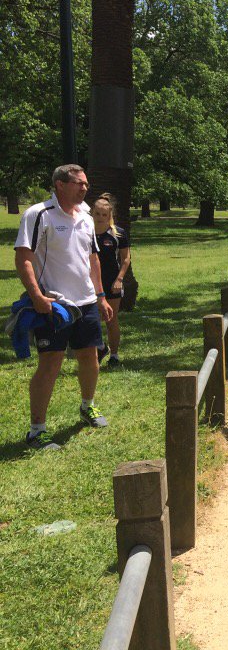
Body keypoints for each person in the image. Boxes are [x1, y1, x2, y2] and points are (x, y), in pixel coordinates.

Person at [14, 164, 114, 449]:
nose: (85, 188)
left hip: (86, 302)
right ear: (60, 184)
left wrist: (101, 296)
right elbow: (23, 259)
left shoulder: (85, 214)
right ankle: (37, 430)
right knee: (50, 363)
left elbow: (92, 257)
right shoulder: (38, 214)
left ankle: (87, 406)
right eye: (78, 183)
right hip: (53, 304)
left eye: (86, 183)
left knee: (90, 357)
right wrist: (36, 297)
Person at [91, 194, 131, 367]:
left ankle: (114, 355)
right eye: (97, 214)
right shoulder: (86, 232)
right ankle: (100, 347)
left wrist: (119, 279)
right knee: (92, 318)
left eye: (104, 215)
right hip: (91, 283)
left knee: (111, 319)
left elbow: (126, 259)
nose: (100, 218)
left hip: (112, 281)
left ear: (110, 216)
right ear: (92, 213)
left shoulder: (118, 234)